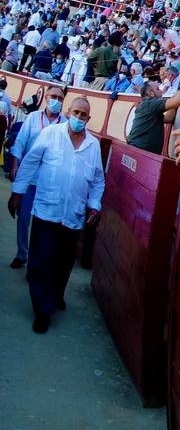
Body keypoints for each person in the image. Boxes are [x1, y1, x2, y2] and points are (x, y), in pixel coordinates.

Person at [10, 96, 103, 333]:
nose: (79, 118)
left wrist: (94, 205)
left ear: (89, 119)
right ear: (68, 112)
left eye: (84, 115)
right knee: (40, 262)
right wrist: (17, 192)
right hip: (46, 210)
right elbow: (30, 163)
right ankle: (42, 310)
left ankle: (55, 295)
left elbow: (97, 180)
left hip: (72, 216)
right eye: (76, 113)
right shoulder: (51, 134)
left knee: (63, 263)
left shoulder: (93, 146)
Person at [8, 85, 65, 269]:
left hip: (49, 181)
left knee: (43, 224)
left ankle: (35, 261)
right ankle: (22, 253)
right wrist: (15, 164)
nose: (57, 100)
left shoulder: (65, 123)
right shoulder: (33, 118)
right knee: (23, 218)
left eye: (60, 98)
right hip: (29, 177)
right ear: (46, 97)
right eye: (54, 96)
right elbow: (20, 142)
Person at [126, 80, 180, 155]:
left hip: (137, 150)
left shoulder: (145, 105)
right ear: (151, 93)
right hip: (141, 151)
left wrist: (174, 100)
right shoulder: (151, 103)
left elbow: (169, 118)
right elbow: (179, 100)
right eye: (158, 89)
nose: (161, 91)